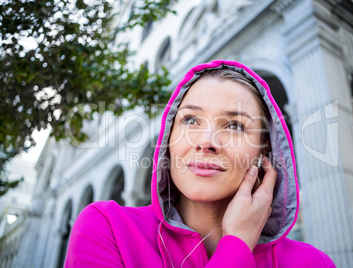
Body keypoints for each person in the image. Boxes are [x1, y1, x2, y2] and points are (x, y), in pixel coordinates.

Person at [65, 60, 336, 267]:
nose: (206, 141)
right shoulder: (109, 228)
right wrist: (237, 246)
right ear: (169, 137)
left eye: (234, 125)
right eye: (191, 120)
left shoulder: (312, 263)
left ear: (264, 152)